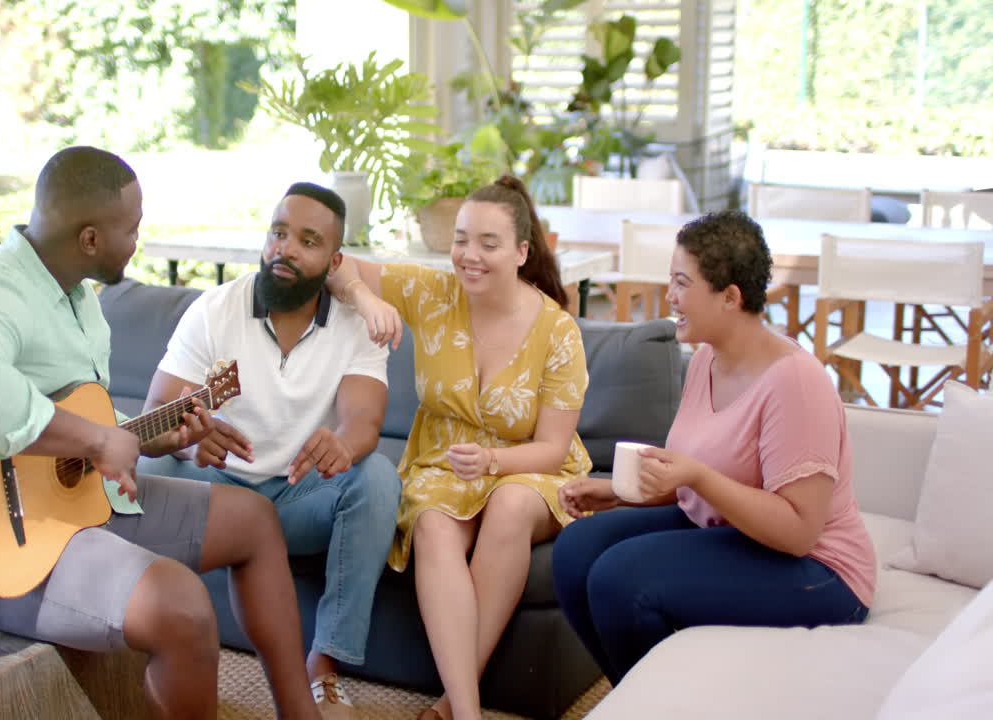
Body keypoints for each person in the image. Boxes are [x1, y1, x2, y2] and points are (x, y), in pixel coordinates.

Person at [0, 146, 320, 720]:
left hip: (87, 505)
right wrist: (97, 441)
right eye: (131, 229)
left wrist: (155, 436)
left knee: (254, 520)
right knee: (182, 606)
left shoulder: (80, 298)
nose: (138, 239)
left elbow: (88, 435)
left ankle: (299, 713)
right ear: (89, 239)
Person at [551, 210, 877, 685]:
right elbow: (708, 477)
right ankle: (641, 698)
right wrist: (618, 492)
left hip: (819, 571)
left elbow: (799, 532)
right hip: (737, 532)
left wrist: (696, 476)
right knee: (576, 549)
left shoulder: (795, 383)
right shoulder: (706, 358)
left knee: (620, 578)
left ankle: (674, 701)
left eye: (682, 283)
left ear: (730, 297)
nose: (670, 295)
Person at [134, 182, 401, 720]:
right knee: (147, 463)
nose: (286, 249)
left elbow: (364, 420)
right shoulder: (214, 310)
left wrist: (342, 444)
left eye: (307, 240)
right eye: (278, 233)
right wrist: (189, 445)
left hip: (301, 496)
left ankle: (323, 671)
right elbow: (154, 413)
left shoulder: (354, 327)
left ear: (333, 260)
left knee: (376, 479)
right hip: (220, 491)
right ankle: (146, 652)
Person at [329, 175, 592, 720]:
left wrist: (495, 461)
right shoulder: (430, 292)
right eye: (461, 239)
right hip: (443, 462)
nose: (469, 256)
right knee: (431, 523)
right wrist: (365, 300)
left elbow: (551, 448)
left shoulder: (559, 331)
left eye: (488, 244)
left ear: (522, 251)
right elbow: (337, 264)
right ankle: (466, 713)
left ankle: (449, 705)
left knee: (512, 504)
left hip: (530, 465)